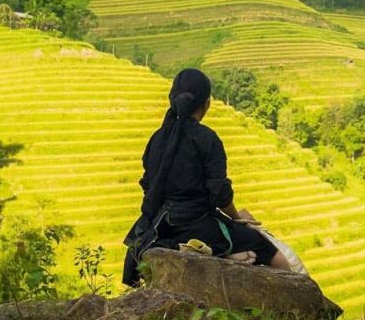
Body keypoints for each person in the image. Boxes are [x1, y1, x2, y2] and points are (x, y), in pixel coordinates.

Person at [123, 68, 292, 286]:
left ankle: (219, 256)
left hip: (160, 225)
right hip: (197, 224)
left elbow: (148, 185)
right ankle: (301, 307)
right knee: (267, 249)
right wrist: (236, 216)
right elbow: (220, 195)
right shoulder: (207, 139)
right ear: (207, 103)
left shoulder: (157, 139)